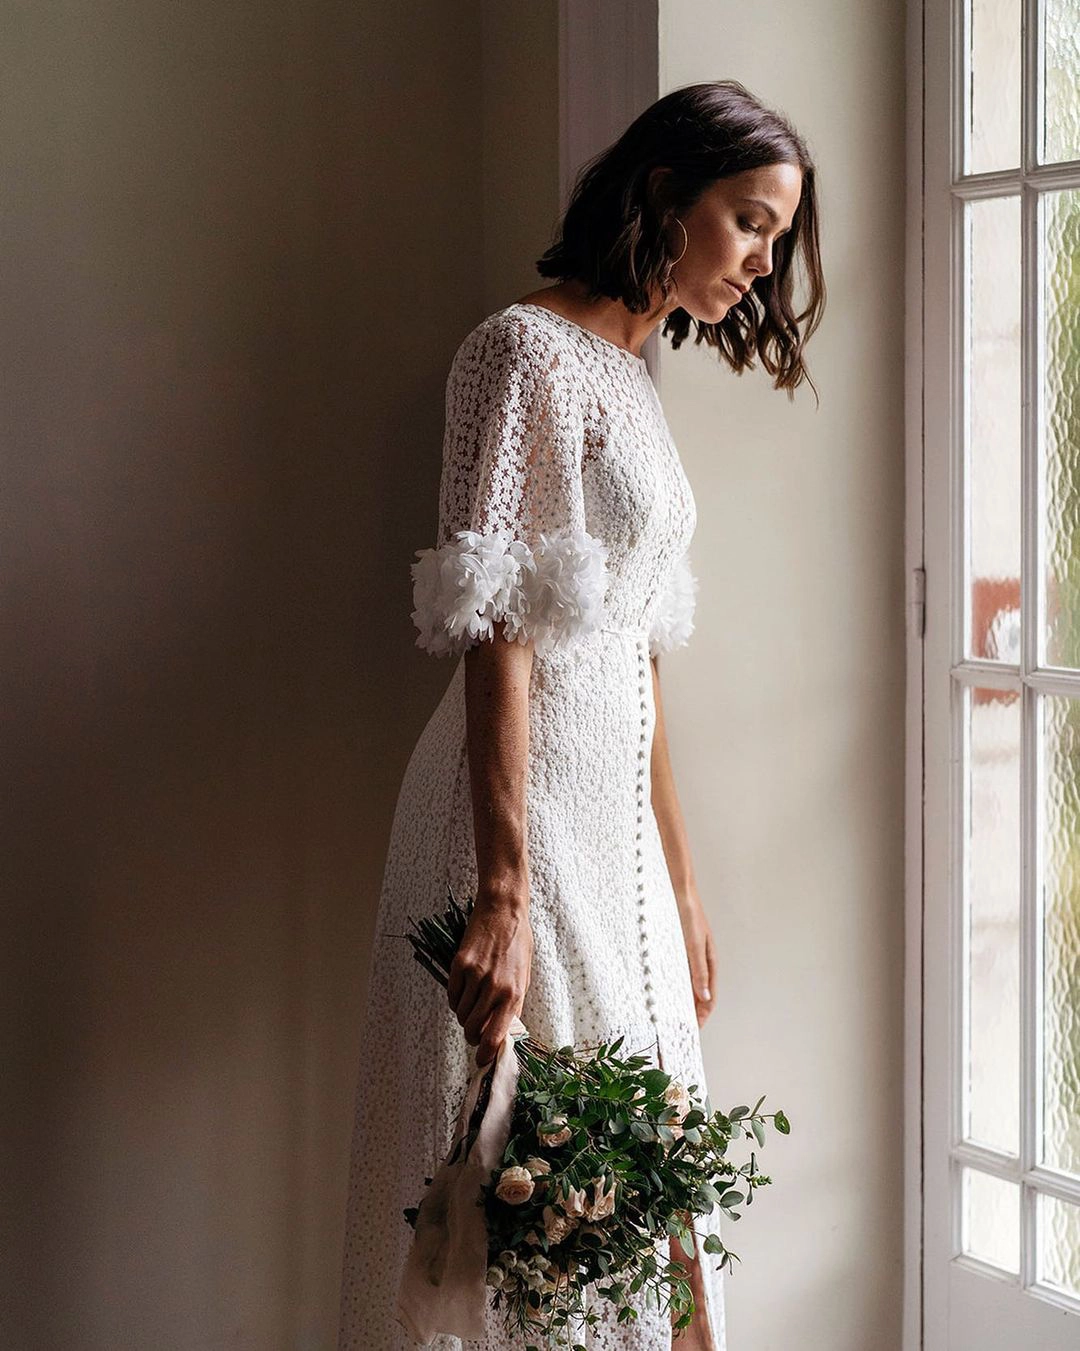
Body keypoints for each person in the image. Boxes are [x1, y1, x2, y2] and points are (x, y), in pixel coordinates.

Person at [338, 78, 825, 1351]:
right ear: (665, 194)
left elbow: (641, 654)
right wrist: (500, 888)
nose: (765, 261)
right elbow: (497, 623)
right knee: (510, 1179)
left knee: (627, 1185)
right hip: (519, 818)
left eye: (778, 236)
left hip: (616, 838)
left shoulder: (637, 378)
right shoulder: (518, 351)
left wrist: (684, 878)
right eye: (750, 222)